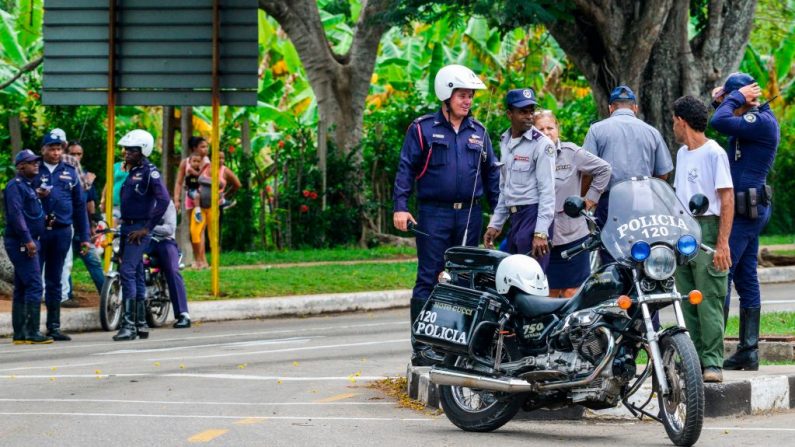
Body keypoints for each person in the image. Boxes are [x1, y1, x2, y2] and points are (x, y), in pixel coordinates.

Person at [393, 64, 500, 366]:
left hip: (469, 215)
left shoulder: (479, 133)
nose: (468, 101)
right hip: (433, 214)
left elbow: (492, 176)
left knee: (465, 279)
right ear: (446, 94)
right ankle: (423, 346)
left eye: (470, 96)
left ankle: (457, 346)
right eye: (462, 95)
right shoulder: (423, 129)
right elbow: (405, 169)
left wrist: (499, 217)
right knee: (429, 277)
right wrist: (400, 207)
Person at [710, 72, 780, 371]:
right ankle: (748, 351)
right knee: (746, 277)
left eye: (732, 98)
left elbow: (720, 122)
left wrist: (735, 98)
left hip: (746, 211)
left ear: (746, 98)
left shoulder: (761, 121)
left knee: (721, 273)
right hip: (745, 209)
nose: (728, 103)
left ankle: (710, 352)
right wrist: (720, 100)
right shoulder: (748, 121)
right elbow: (720, 118)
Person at [672, 95, 734, 383]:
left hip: (708, 227)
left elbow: (726, 197)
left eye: (674, 121)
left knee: (709, 297)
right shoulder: (683, 154)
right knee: (687, 297)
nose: (672, 126)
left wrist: (722, 243)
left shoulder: (714, 152)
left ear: (682, 121)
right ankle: (693, 360)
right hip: (683, 229)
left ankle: (713, 363)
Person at [582, 85, 674, 263]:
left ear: (611, 108)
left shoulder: (597, 130)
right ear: (635, 108)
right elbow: (663, 173)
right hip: (644, 202)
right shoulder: (651, 132)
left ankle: (616, 290)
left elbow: (587, 171)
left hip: (610, 202)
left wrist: (585, 198)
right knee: (642, 249)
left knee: (611, 251)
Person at [533, 110, 611, 297]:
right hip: (543, 237)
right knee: (547, 294)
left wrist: (590, 200)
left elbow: (604, 169)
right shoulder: (529, 156)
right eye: (540, 129)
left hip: (573, 236)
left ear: (557, 128)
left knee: (572, 293)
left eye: (550, 127)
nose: (546, 132)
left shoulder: (571, 153)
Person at [483, 89, 556, 270]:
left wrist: (540, 232)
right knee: (512, 281)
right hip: (515, 218)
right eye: (523, 111)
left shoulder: (542, 144)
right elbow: (504, 188)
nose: (529, 116)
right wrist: (496, 223)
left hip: (533, 217)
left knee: (531, 281)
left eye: (531, 111)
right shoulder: (505, 141)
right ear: (510, 114)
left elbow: (547, 192)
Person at [113, 129, 170, 341]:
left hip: (139, 229)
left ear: (143, 151)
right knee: (135, 273)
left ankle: (128, 325)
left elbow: (163, 200)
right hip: (127, 227)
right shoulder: (131, 171)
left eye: (131, 150)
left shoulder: (149, 172)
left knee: (127, 271)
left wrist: (147, 228)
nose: (126, 152)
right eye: (126, 149)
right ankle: (140, 324)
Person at [34, 131, 91, 341]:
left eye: (59, 149)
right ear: (43, 150)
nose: (56, 152)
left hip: (62, 231)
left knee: (55, 279)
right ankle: (31, 327)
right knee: (33, 279)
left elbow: (79, 206)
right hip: (38, 233)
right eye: (51, 148)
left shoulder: (69, 171)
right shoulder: (34, 169)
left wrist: (85, 236)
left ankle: (54, 326)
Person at [4, 150, 52, 344]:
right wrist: (27, 239)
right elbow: (16, 215)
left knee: (23, 286)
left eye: (36, 162)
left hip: (29, 239)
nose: (36, 165)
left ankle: (21, 333)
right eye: (31, 162)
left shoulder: (29, 187)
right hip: (22, 242)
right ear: (20, 166)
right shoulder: (14, 186)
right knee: (34, 284)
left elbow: (30, 212)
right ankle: (32, 332)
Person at [60, 141, 105, 307]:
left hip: (82, 229)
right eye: (73, 154)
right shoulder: (64, 174)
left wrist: (93, 223)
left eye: (79, 154)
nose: (76, 157)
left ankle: (107, 295)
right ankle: (67, 294)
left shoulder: (84, 174)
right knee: (66, 262)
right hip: (65, 227)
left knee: (92, 261)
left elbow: (90, 202)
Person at [148, 200, 191, 328]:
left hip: (164, 241)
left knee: (172, 270)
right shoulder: (137, 200)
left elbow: (170, 228)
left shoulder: (166, 203)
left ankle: (183, 314)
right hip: (143, 241)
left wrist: (148, 227)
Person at [174, 136, 210, 269]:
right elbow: (179, 182)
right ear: (194, 148)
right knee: (194, 229)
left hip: (202, 199)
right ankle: (199, 259)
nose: (205, 149)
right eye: (202, 147)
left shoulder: (207, 162)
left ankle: (201, 260)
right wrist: (176, 199)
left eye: (206, 147)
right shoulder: (186, 162)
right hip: (189, 197)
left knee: (199, 229)